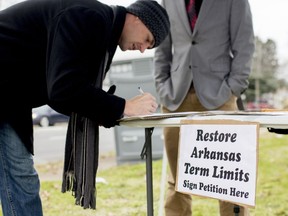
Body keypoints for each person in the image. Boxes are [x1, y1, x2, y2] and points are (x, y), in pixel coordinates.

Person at [0, 0, 170, 215]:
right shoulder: (90, 17)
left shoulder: (102, 27)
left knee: (21, 175)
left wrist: (110, 109)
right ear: (137, 17)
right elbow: (63, 89)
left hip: (12, 96)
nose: (144, 49)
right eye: (148, 39)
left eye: (150, 47)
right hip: (9, 92)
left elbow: (64, 90)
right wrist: (124, 105)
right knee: (20, 176)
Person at [154, 0, 254, 215]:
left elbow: (244, 44)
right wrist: (163, 86)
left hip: (220, 97)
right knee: (177, 176)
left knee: (228, 176)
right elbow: (162, 48)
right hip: (175, 99)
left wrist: (233, 88)